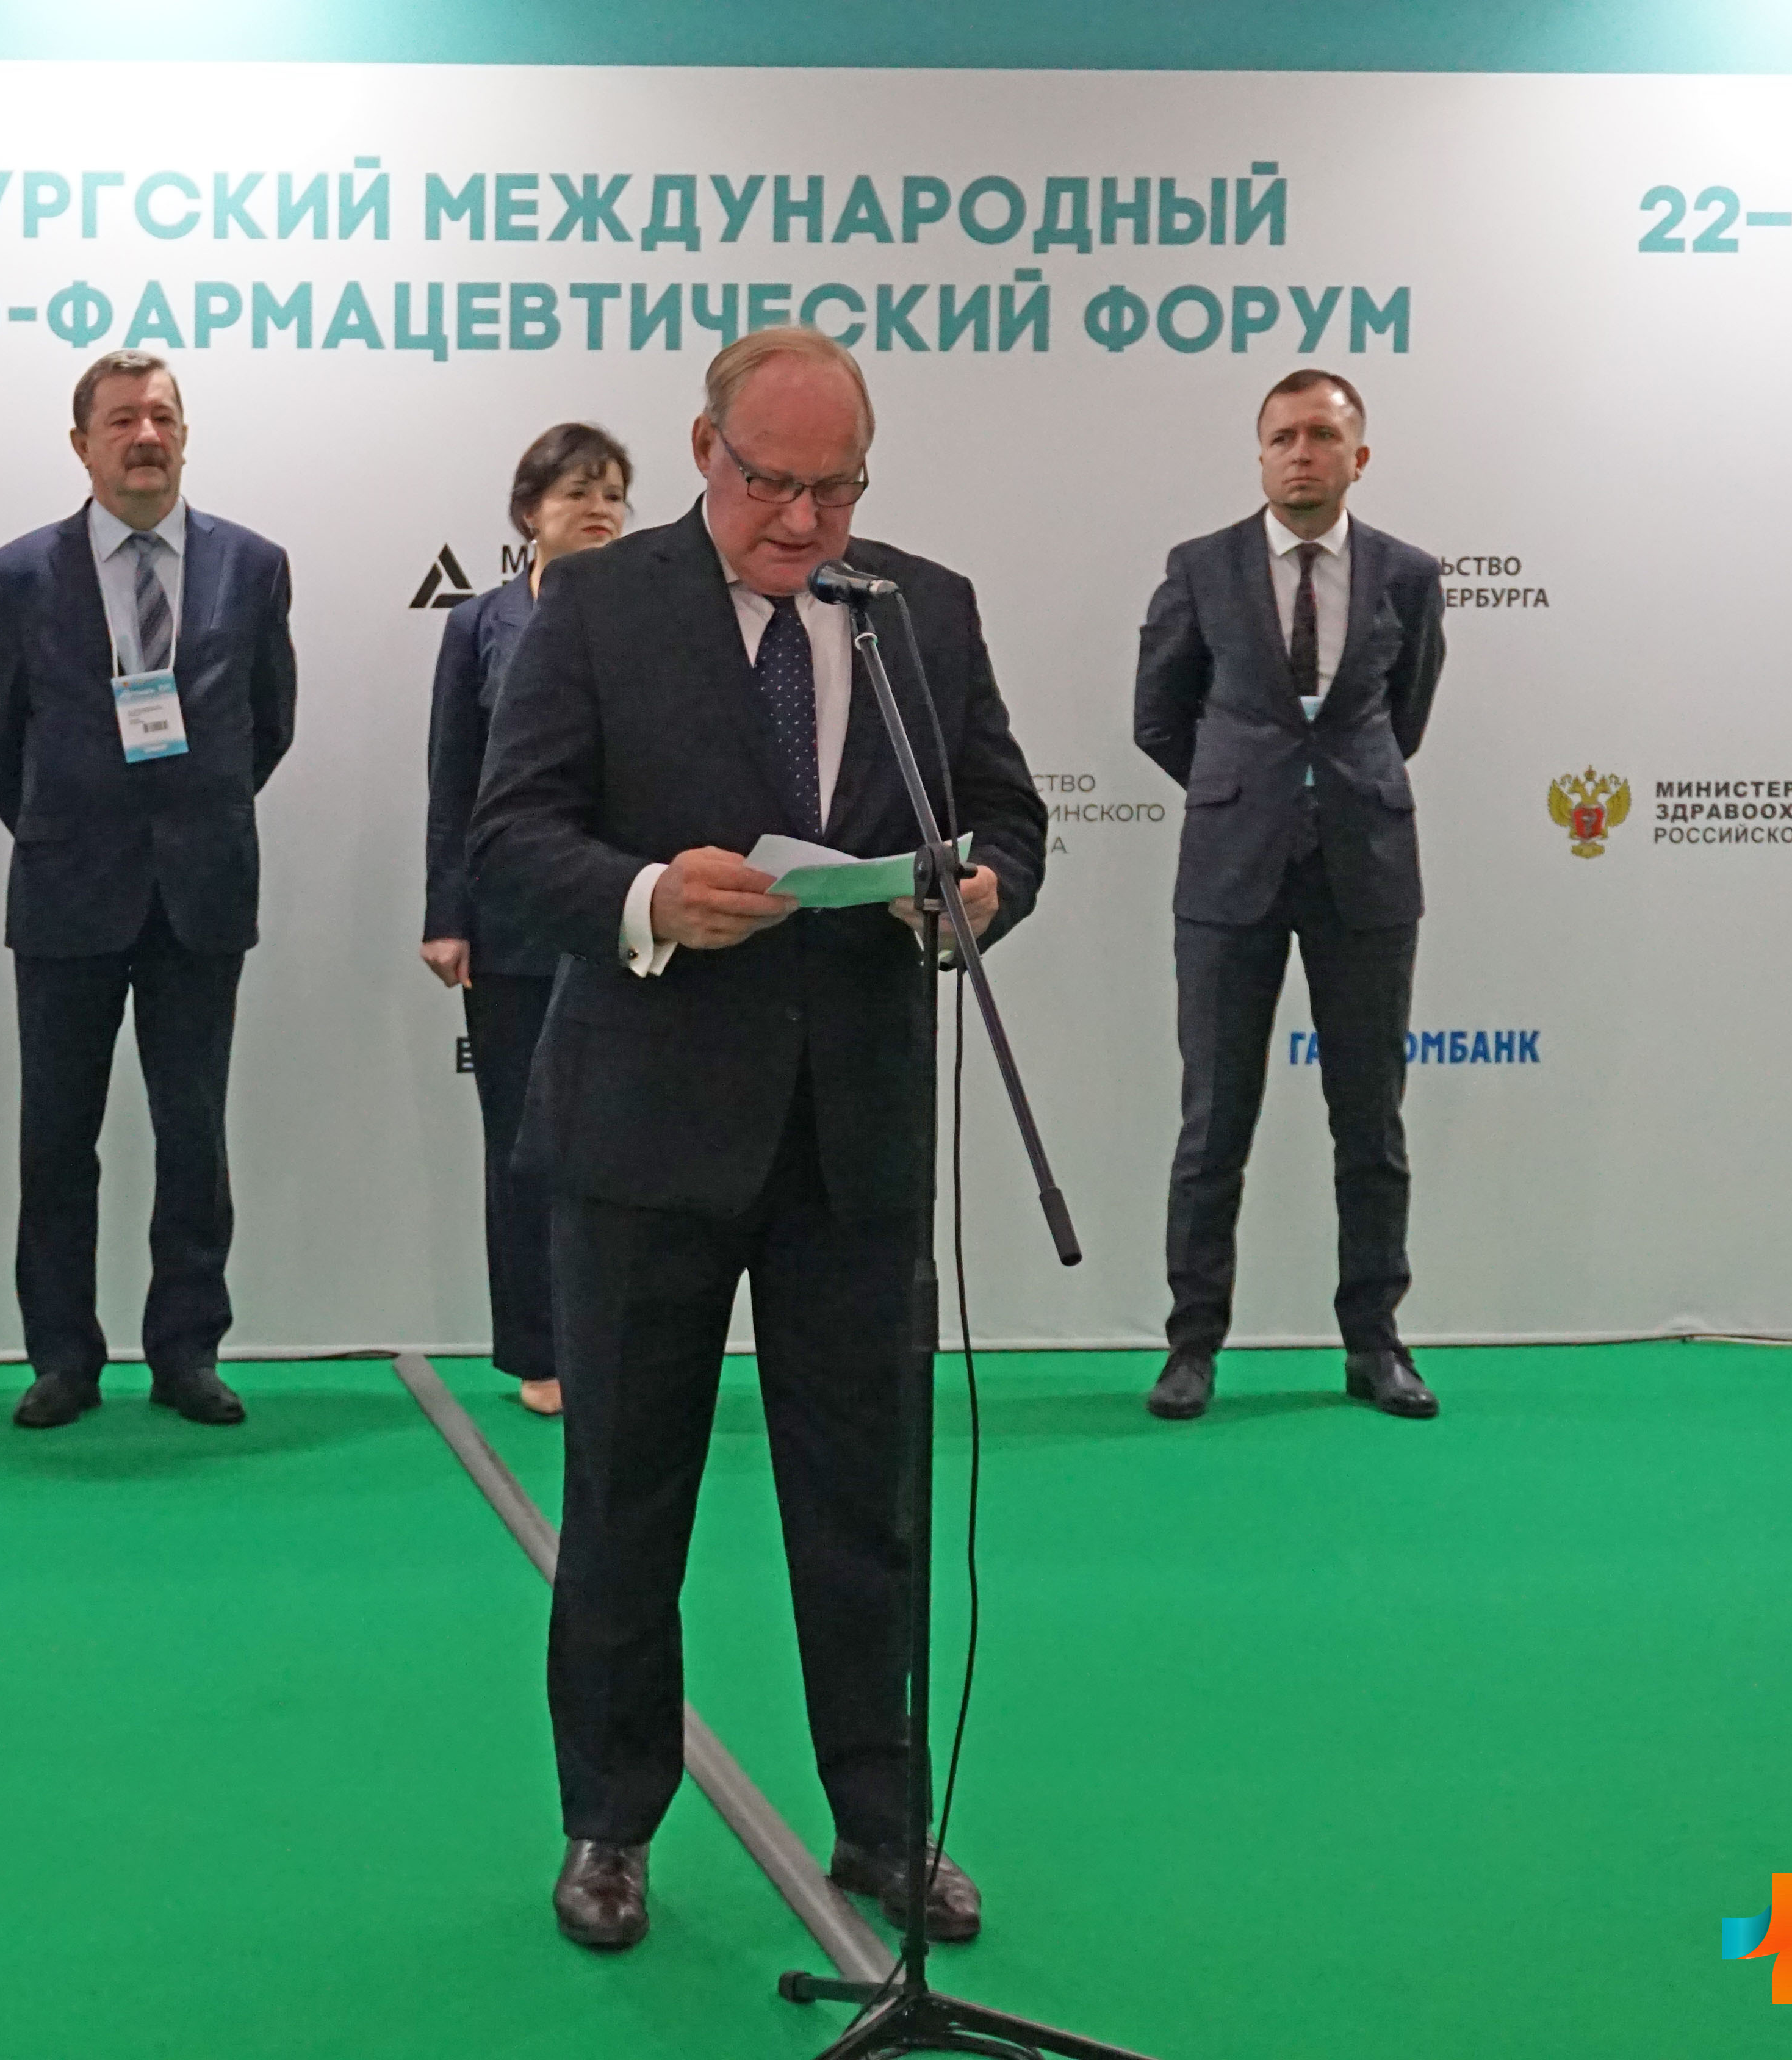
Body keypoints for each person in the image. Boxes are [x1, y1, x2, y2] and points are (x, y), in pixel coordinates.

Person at [472, 328, 1047, 1953]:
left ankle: (883, 1818)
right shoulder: (596, 602)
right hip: (643, 1127)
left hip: (856, 1131)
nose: (801, 520)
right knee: (626, 1496)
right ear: (703, 450)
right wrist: (649, 896)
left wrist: (981, 889)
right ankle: (608, 1822)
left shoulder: (922, 608)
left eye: (835, 488)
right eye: (770, 483)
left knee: (868, 1500)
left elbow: (1008, 814)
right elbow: (511, 841)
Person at [0, 351, 297, 1432]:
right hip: (67, 893)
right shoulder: (18, 575)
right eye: (121, 420)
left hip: (203, 894)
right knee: (58, 1140)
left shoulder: (254, 565)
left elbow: (269, 722)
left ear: (184, 435)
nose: (144, 436)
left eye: (162, 417)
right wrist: (68, 827)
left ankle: (188, 1350)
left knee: (193, 1136)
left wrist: (189, 820)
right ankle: (63, 1357)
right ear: (82, 444)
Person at [1131, 369, 1448, 1424]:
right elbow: (1159, 717)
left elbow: (1406, 713)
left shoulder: (1409, 575)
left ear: (1360, 457)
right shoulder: (1201, 567)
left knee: (1371, 1123)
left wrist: (1331, 790)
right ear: (1260, 454)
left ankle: (1375, 1343)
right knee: (1214, 1121)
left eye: (1321, 436)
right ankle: (1191, 1346)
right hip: (1231, 873)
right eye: (1282, 437)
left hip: (1368, 868)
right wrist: (1245, 794)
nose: (1300, 454)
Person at [420, 423, 633, 1420]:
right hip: (509, 927)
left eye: (614, 495)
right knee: (521, 1147)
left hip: (625, 919)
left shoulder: (653, 622)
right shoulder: (480, 625)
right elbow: (452, 777)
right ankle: (538, 1351)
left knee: (624, 1151)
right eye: (577, 492)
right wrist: (447, 915)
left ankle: (622, 1347)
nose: (599, 510)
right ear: (528, 512)